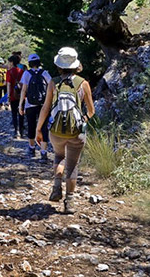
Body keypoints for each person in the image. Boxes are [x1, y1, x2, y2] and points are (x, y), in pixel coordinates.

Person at [36, 47, 95, 214]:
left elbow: (46, 108)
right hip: (76, 131)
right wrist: (84, 120)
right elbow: (91, 110)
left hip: (56, 131)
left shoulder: (53, 83)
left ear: (59, 65)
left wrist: (39, 129)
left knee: (59, 156)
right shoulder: (83, 83)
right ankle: (69, 202)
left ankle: (56, 185)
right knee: (73, 164)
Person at [19, 54, 51, 159]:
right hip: (43, 105)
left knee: (31, 126)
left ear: (29, 63)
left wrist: (21, 105)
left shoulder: (27, 74)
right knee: (44, 127)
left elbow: (24, 90)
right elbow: (52, 87)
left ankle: (32, 148)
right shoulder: (45, 73)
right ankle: (43, 152)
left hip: (30, 104)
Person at [8, 55, 25, 138]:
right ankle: (22, 131)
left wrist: (8, 96)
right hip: (22, 95)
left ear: (12, 62)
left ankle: (16, 131)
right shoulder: (22, 71)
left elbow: (8, 84)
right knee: (21, 113)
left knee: (14, 113)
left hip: (13, 95)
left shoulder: (10, 71)